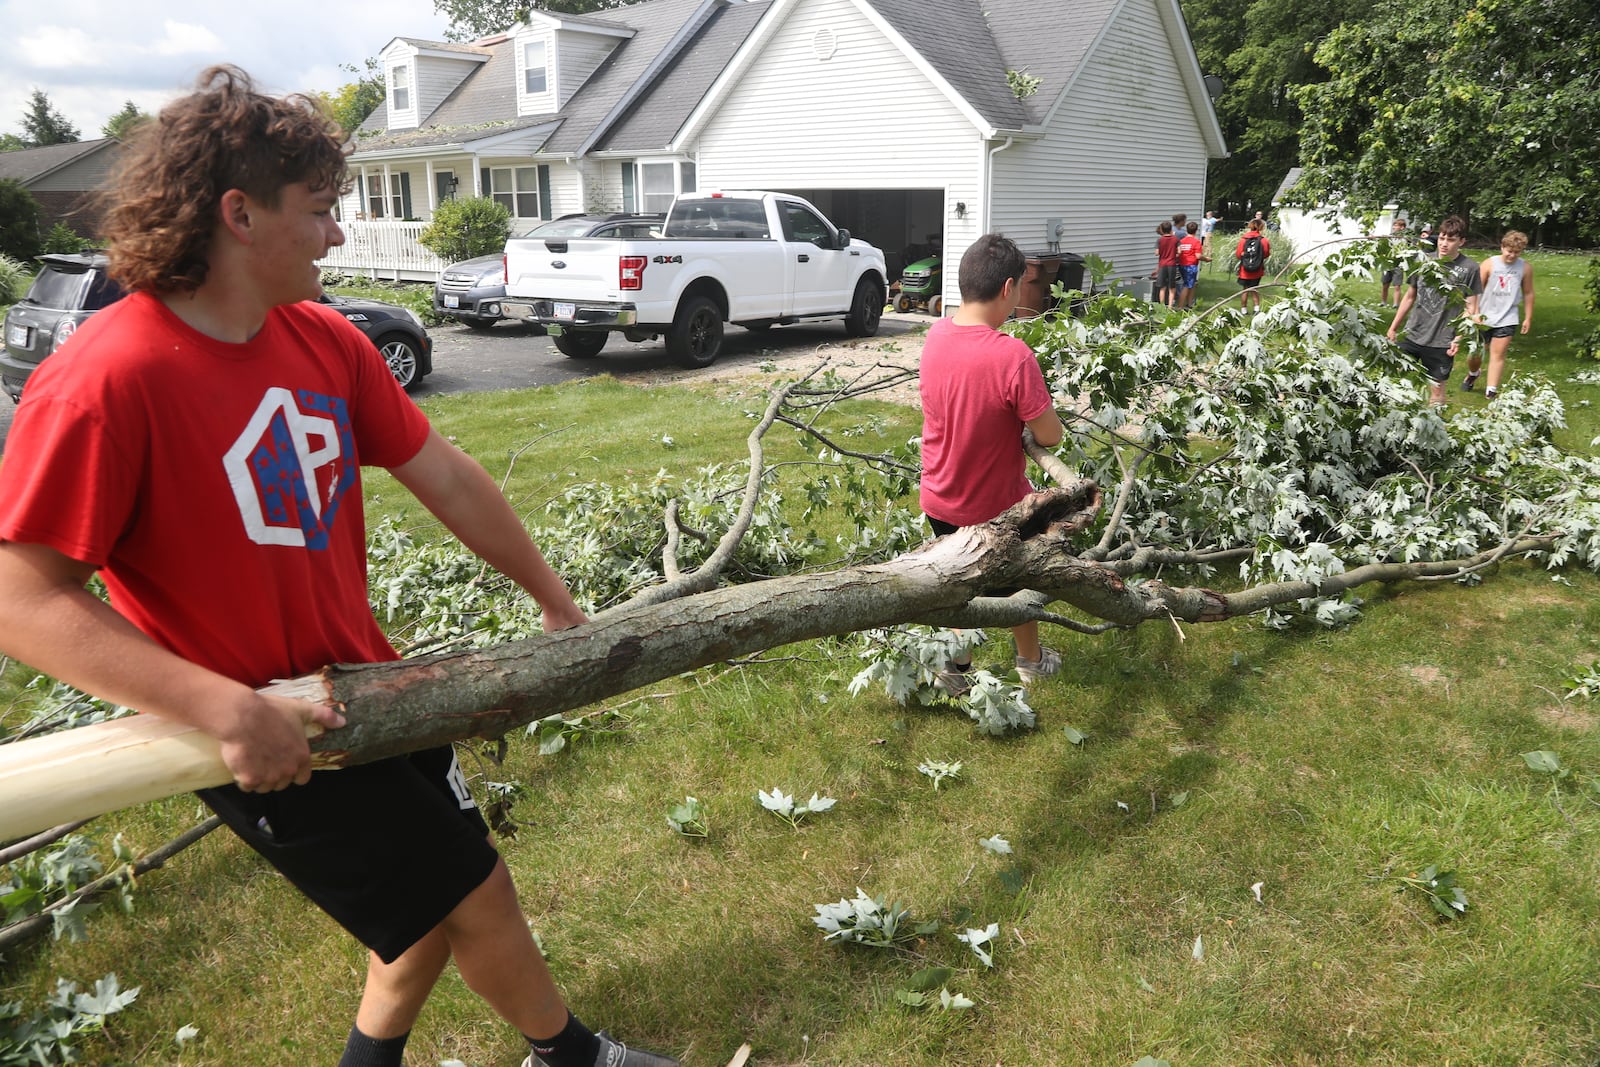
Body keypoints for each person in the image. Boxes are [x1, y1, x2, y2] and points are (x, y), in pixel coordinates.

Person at [0, 67, 677, 1067]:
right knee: (471, 891)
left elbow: (444, 473)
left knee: (417, 918)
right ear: (239, 213)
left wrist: (553, 599)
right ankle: (573, 1057)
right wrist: (226, 710)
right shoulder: (107, 380)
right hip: (264, 724)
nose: (337, 236)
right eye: (319, 211)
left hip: (368, 679)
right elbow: (21, 599)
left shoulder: (322, 342)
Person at [918, 233, 1066, 692]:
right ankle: (1030, 659)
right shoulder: (1012, 355)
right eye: (1022, 286)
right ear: (1007, 289)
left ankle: (952, 670)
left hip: (940, 501)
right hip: (995, 508)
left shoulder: (936, 335)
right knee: (1022, 577)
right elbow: (1050, 435)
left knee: (959, 588)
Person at [1386, 214, 1482, 406]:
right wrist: (1393, 327)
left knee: (1437, 393)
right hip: (1412, 334)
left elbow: (1470, 307)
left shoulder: (1469, 268)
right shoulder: (1423, 261)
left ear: (1462, 241)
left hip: (1442, 341)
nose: (1444, 243)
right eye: (1442, 238)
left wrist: (1458, 337)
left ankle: (1432, 429)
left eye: (1451, 239)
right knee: (1397, 385)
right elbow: (1410, 295)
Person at [1463, 230, 1534, 400]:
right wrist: (1475, 312)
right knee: (1475, 354)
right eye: (1509, 251)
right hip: (1484, 316)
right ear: (1502, 247)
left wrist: (1528, 317)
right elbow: (1475, 290)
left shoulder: (1525, 268)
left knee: (1498, 354)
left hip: (1508, 316)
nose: (1512, 255)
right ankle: (1473, 373)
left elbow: (1529, 293)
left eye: (1516, 252)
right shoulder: (1489, 264)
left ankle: (1491, 391)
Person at [1235, 218, 1271, 311]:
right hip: (1257, 269)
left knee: (1245, 289)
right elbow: (1266, 254)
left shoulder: (1243, 239)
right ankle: (1257, 309)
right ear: (1261, 227)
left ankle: (1244, 310)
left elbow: (1238, 254)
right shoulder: (1263, 240)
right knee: (1254, 288)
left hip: (1245, 269)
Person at [1175, 220, 1210, 309]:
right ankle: (1180, 307)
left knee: (1192, 284)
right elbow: (1198, 256)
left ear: (1186, 230)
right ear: (1196, 230)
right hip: (1191, 266)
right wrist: (1206, 259)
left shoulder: (1182, 241)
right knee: (1187, 286)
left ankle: (1190, 304)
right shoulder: (1196, 242)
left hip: (1181, 264)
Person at [1379, 217, 1409, 306]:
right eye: (1394, 226)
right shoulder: (1390, 237)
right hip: (1388, 263)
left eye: (1396, 226)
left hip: (1399, 264)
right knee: (1385, 284)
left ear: (1402, 227)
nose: (1394, 227)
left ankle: (1396, 304)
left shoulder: (1406, 238)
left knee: (1397, 285)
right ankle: (1383, 302)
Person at [1153, 220, 1179, 306]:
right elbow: (1180, 251)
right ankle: (1170, 306)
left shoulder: (1159, 240)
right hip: (1172, 264)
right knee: (1172, 287)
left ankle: (1162, 306)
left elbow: (1157, 253)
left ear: (1162, 230)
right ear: (1171, 229)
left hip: (1162, 265)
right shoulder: (1175, 239)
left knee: (1162, 287)